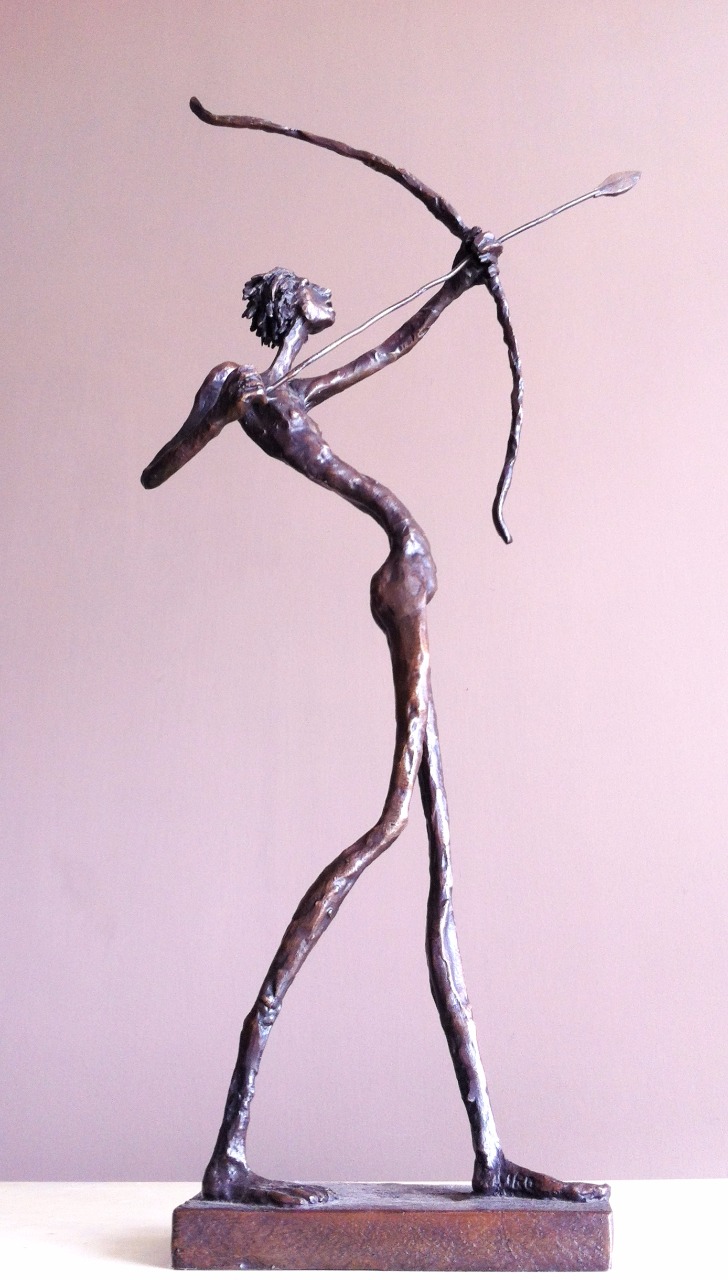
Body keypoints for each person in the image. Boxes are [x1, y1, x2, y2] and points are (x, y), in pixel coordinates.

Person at [142, 233, 607, 1207]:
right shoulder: (248, 389)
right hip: (401, 584)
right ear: (286, 301)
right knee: (390, 827)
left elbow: (393, 346)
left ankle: (488, 1151)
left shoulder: (297, 387)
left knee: (439, 862)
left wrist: (460, 279)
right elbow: (162, 466)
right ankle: (230, 1152)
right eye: (311, 288)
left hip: (409, 579)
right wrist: (211, 416)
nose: (327, 294)